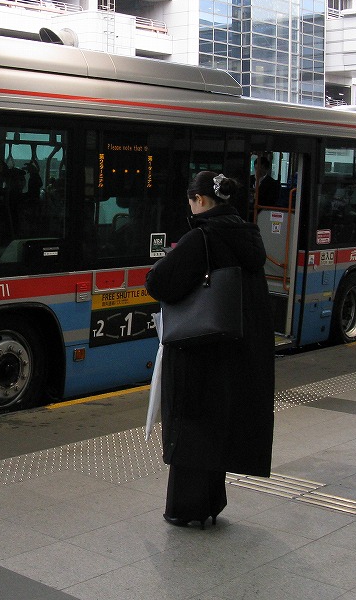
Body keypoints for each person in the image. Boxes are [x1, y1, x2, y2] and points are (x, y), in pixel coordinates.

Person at [144, 171, 274, 528]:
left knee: (192, 426)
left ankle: (186, 509)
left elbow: (159, 283)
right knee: (219, 427)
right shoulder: (249, 236)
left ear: (200, 200)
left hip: (200, 350)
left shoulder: (201, 237)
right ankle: (212, 503)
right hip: (235, 351)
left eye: (191, 201)